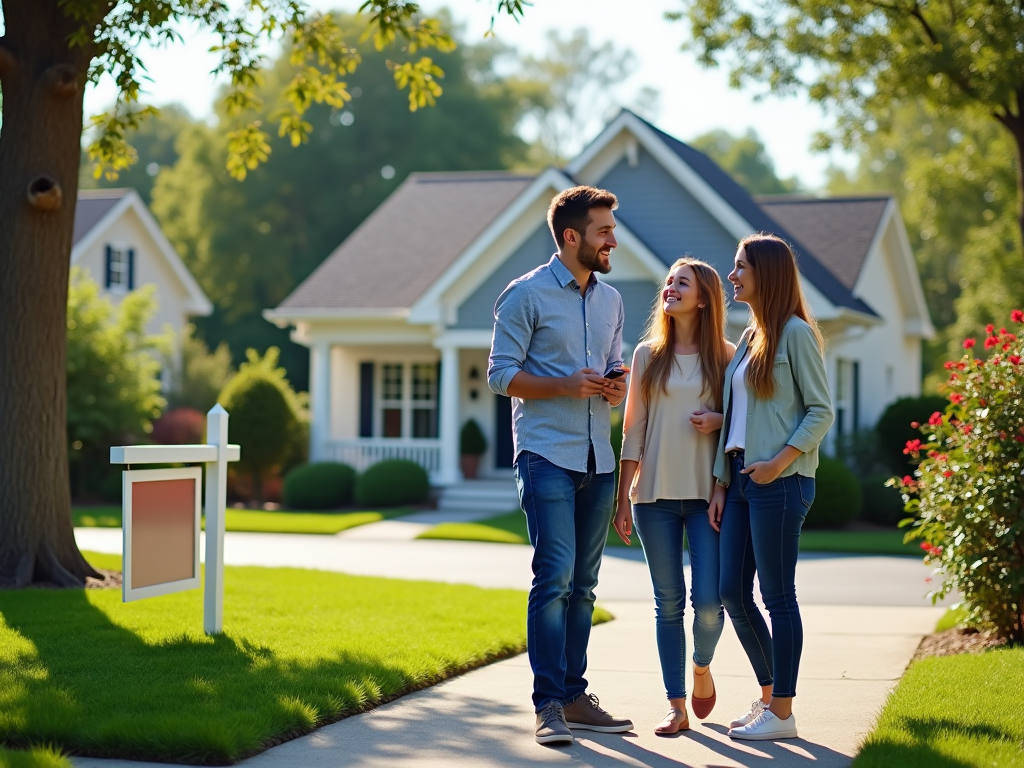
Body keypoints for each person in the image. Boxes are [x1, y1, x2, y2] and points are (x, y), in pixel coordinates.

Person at [488, 186, 634, 746]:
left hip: (599, 456)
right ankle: (548, 703)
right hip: (546, 453)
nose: (612, 241)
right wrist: (564, 386)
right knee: (554, 578)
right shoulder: (524, 295)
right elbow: (501, 376)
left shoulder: (611, 300)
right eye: (603, 231)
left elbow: (614, 364)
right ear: (571, 236)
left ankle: (574, 697)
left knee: (586, 585)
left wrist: (614, 387)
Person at [709, 234, 834, 741]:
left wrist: (779, 462)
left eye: (740, 267)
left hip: (782, 482)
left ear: (767, 273)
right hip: (740, 480)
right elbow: (738, 415)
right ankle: (769, 699)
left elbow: (820, 411)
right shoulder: (749, 337)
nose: (732, 275)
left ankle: (782, 712)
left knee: (777, 596)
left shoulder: (796, 333)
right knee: (730, 592)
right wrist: (721, 481)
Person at [613, 257, 735, 735]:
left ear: (703, 297)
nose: (670, 288)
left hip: (708, 497)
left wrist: (720, 423)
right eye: (668, 282)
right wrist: (623, 496)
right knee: (668, 603)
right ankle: (676, 704)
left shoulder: (727, 356)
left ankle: (701, 667)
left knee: (708, 603)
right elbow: (633, 427)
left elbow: (744, 421)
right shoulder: (646, 355)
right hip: (653, 499)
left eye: (681, 282)